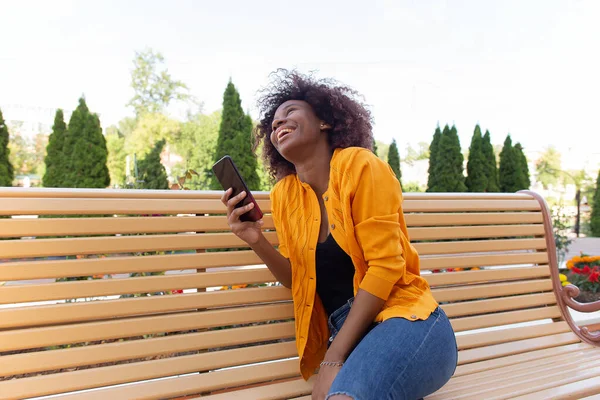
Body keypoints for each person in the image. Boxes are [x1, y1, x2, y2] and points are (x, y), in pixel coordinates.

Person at [220, 70, 457, 400]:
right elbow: (296, 277)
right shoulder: (284, 195)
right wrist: (256, 239)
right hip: (349, 333)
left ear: (324, 122)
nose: (277, 124)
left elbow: (386, 267)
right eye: (273, 123)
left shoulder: (361, 167)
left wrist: (333, 358)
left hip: (407, 320)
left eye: (290, 112)